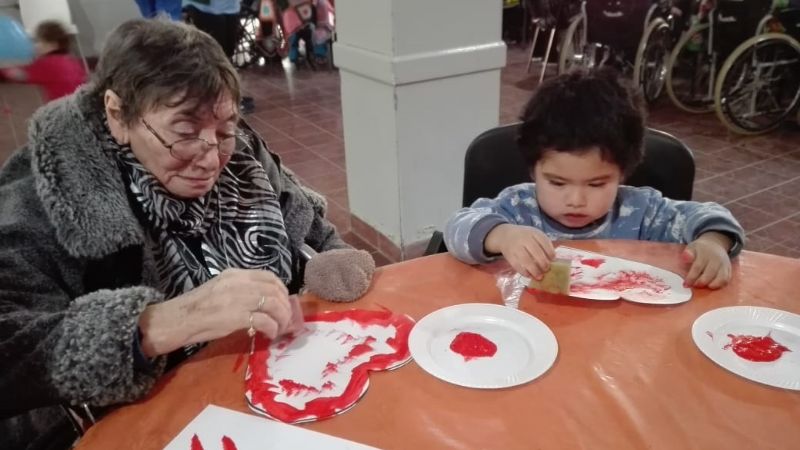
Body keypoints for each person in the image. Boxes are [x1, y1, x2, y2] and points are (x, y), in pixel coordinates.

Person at [0, 19, 356, 449]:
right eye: (185, 133)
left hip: (274, 392)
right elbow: (11, 350)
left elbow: (311, 232)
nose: (211, 157)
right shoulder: (47, 194)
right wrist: (159, 324)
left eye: (225, 128)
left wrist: (330, 259)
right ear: (117, 115)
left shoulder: (240, 152)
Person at [444, 69, 745, 290]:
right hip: (532, 328)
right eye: (557, 183)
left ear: (622, 173)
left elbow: (710, 215)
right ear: (533, 170)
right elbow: (457, 228)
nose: (576, 200)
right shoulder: (517, 207)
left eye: (597, 184)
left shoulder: (642, 212)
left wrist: (713, 243)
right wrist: (503, 235)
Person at [183, 0, 255, 113]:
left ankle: (229, 96)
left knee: (227, 52)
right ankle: (216, 100)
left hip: (230, 6)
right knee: (213, 55)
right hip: (206, 7)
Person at [0, 20, 86, 102]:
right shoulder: (70, 60)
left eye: (38, 41)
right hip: (80, 102)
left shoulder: (49, 63)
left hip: (63, 108)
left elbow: (19, 74)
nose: (34, 45)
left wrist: (4, 68)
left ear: (53, 45)